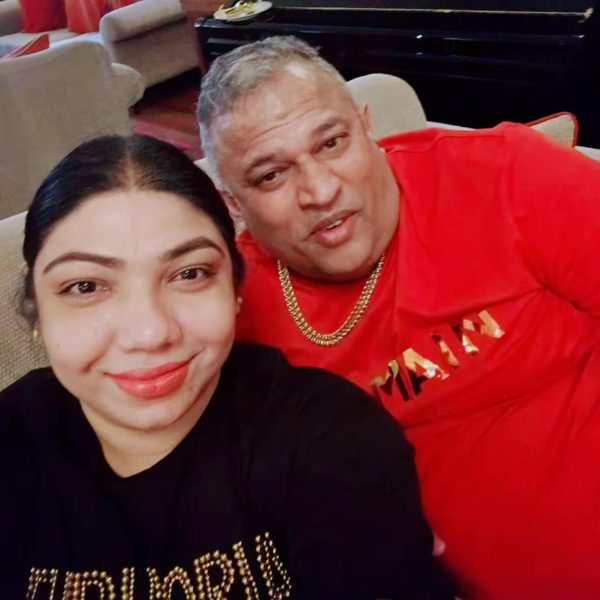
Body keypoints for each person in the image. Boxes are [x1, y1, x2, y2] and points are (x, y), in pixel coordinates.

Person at [197, 36, 600, 600]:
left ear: (367, 129)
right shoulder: (229, 307)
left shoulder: (503, 173)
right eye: (271, 176)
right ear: (234, 205)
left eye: (332, 143)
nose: (320, 190)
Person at [0, 135, 453, 599]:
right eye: (85, 286)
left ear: (235, 289)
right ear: (35, 307)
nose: (150, 333)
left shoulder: (332, 440)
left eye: (189, 274)